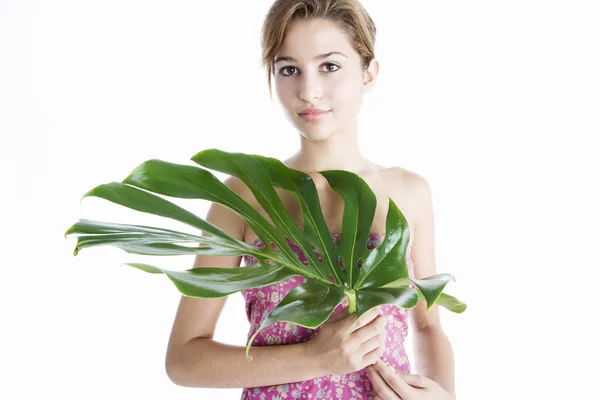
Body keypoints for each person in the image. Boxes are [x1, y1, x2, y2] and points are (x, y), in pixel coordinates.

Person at [165, 1, 456, 399]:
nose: (308, 91)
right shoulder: (245, 196)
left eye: (329, 66)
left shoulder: (408, 192)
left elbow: (427, 326)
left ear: (368, 73)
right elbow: (184, 358)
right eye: (289, 70)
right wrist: (317, 358)